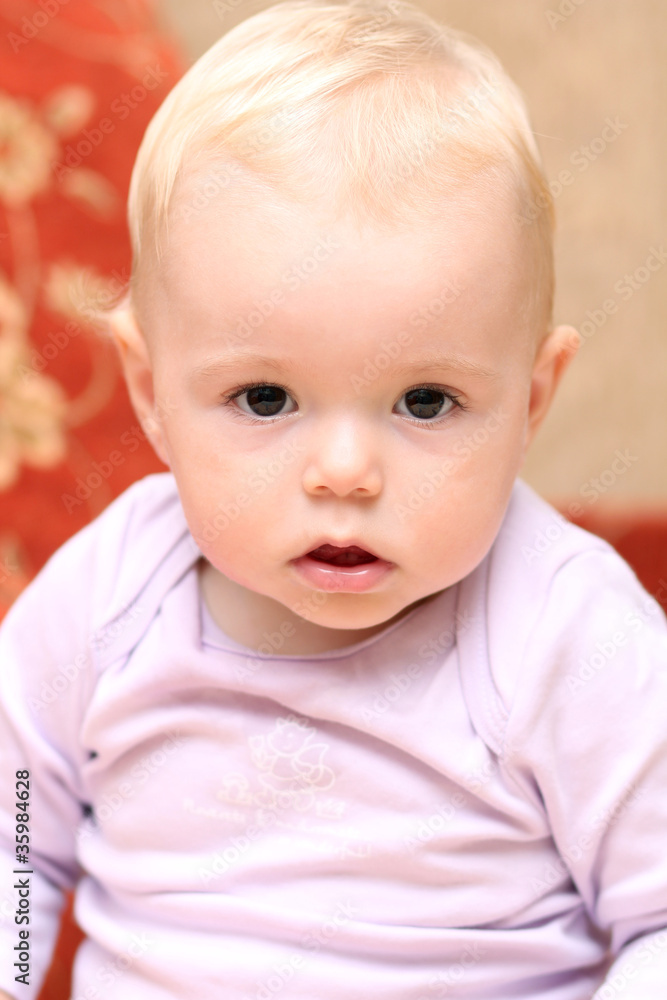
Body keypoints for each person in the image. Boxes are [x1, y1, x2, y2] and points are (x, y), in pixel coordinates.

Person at [2, 1, 667, 997]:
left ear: (528, 399)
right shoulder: (108, 597)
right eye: (264, 398)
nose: (345, 472)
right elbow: (17, 843)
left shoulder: (563, 628)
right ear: (151, 392)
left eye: (426, 400)